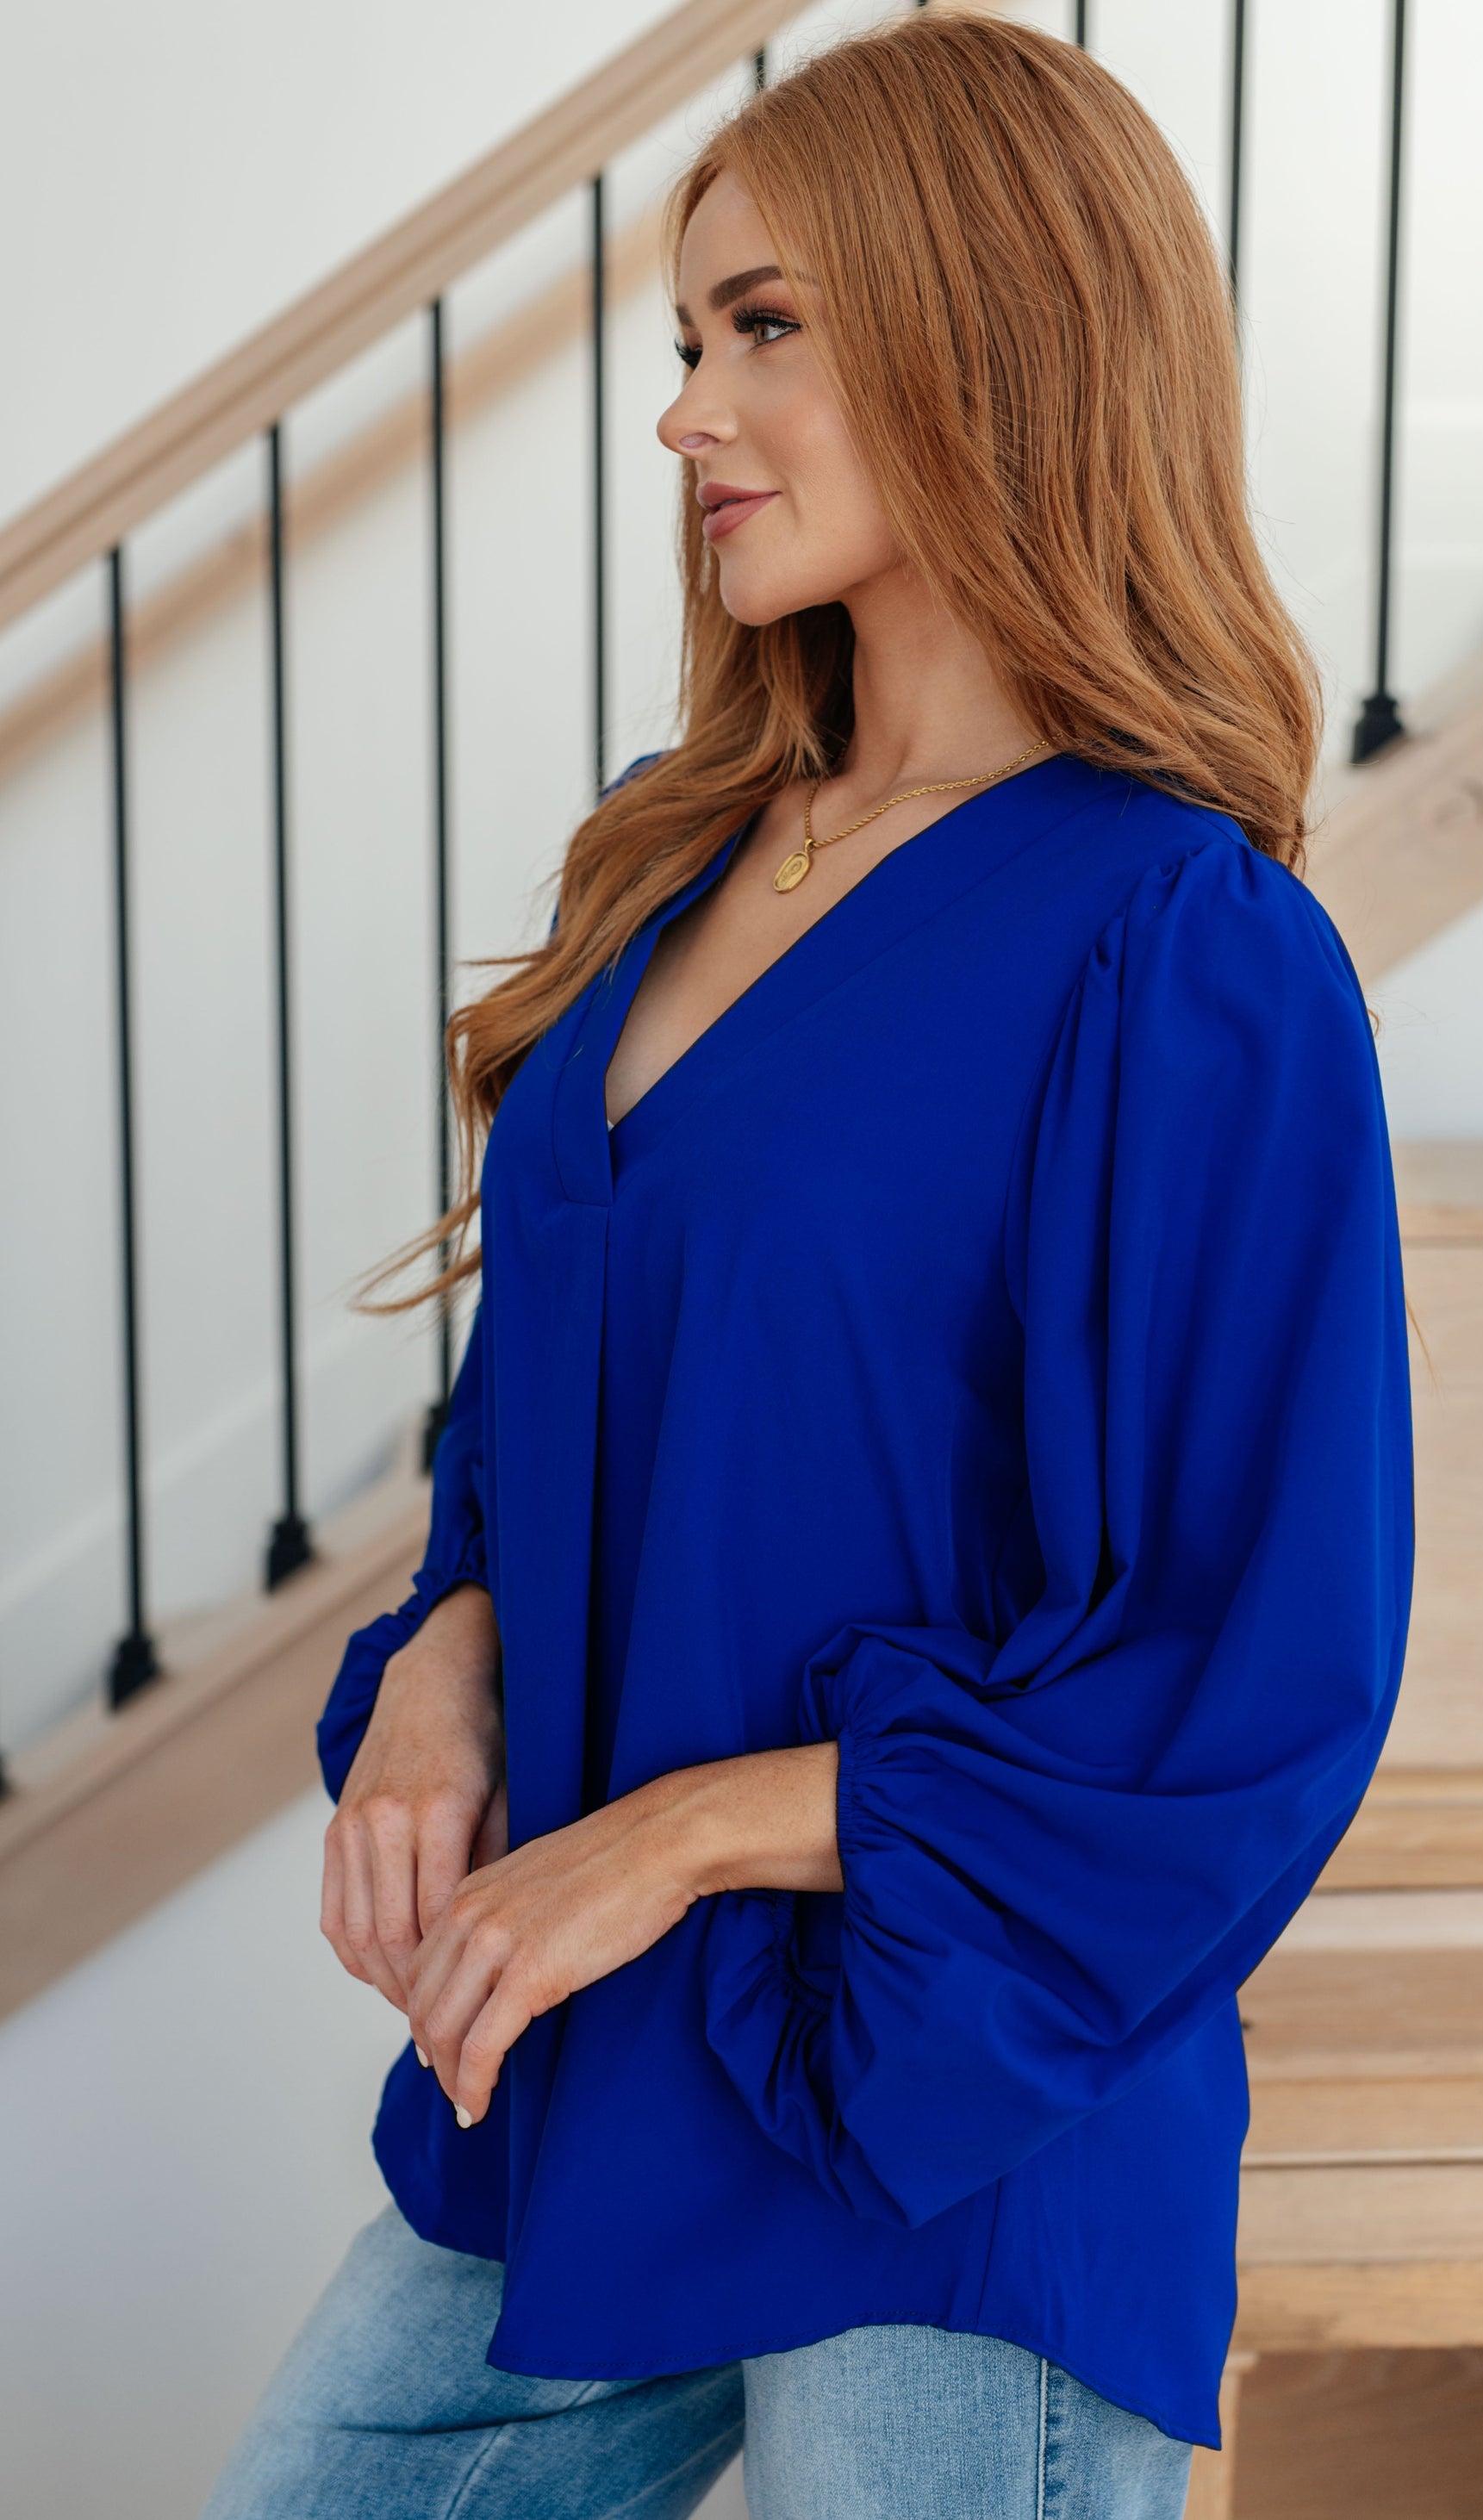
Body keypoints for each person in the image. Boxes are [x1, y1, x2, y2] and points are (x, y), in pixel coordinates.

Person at [205, 14, 1412, 2517]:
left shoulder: (1178, 947)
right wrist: (448, 1651)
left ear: (992, 331)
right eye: (688, 340)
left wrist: (665, 1836)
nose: (687, 415)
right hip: (596, 2060)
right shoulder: (671, 867)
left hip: (953, 2101)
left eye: (765, 328)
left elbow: (1245, 1665)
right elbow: (561, 1426)